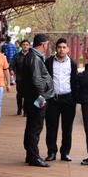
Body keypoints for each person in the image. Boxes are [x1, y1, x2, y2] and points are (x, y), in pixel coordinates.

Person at [21, 34, 54, 167]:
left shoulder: (32, 56)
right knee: (35, 127)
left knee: (32, 126)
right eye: (47, 44)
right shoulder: (35, 58)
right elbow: (36, 80)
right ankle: (34, 156)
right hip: (37, 98)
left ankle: (30, 154)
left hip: (31, 97)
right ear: (44, 44)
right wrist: (41, 97)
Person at [44, 38, 78, 162]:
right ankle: (52, 152)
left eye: (64, 47)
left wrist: (74, 98)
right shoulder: (49, 62)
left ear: (67, 49)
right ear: (56, 49)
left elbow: (75, 81)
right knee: (51, 127)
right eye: (59, 47)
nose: (61, 50)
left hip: (68, 99)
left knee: (67, 128)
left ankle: (65, 152)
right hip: (53, 99)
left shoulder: (72, 64)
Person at [10, 39, 30, 116]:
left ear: (29, 46)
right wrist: (11, 70)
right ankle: (19, 108)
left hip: (29, 79)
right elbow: (12, 64)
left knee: (27, 95)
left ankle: (25, 110)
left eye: (26, 45)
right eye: (24, 45)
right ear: (21, 46)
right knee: (20, 94)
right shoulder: (17, 56)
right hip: (20, 78)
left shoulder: (32, 56)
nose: (25, 46)